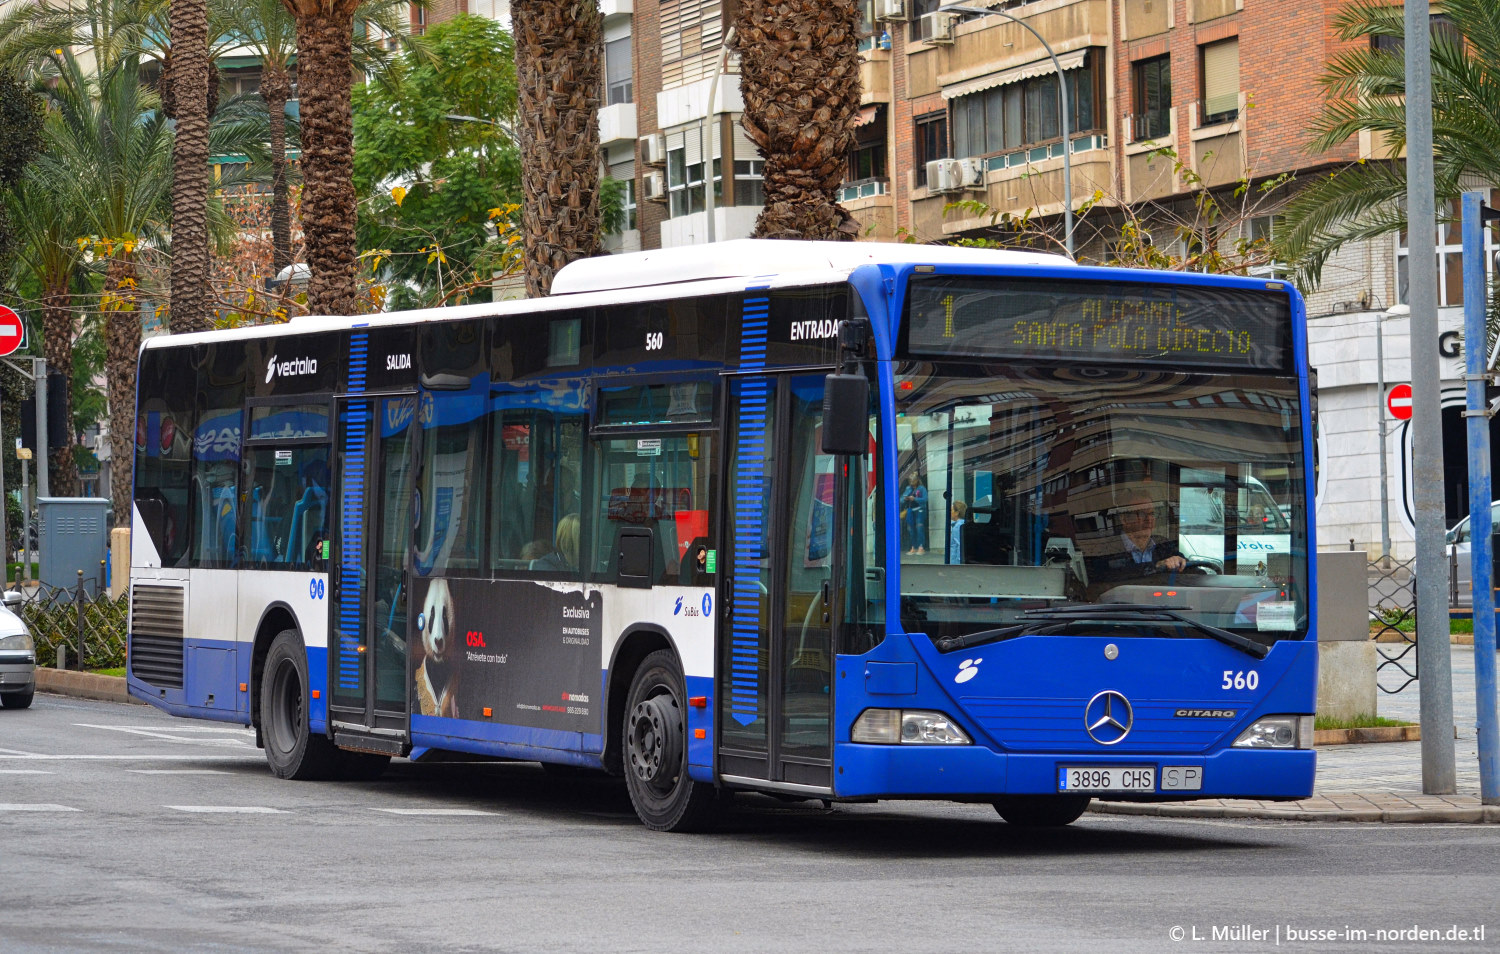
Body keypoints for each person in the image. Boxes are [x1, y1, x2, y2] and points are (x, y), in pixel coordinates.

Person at [1087, 489, 1186, 584]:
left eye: (1152, 514)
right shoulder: (1106, 550)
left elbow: (1189, 567)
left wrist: (1179, 561)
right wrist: (1155, 567)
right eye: (1141, 514)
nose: (1149, 519)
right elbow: (1106, 578)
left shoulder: (1163, 544)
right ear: (1124, 519)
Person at [901, 473, 927, 555]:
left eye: (913, 480)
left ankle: (921, 546)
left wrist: (915, 499)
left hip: (920, 509)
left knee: (919, 527)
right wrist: (905, 498)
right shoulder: (908, 488)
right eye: (910, 480)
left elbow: (925, 499)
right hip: (910, 510)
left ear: (917, 480)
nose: (912, 482)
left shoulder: (921, 488)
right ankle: (913, 546)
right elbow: (901, 499)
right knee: (911, 529)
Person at [948, 500, 966, 564]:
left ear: (957, 513)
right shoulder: (963, 524)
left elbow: (959, 547)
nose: (949, 512)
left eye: (951, 510)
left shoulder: (957, 527)